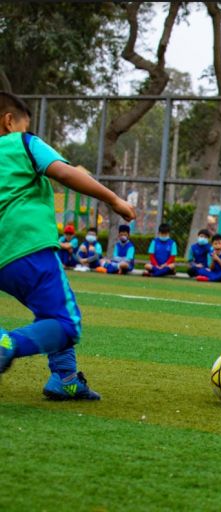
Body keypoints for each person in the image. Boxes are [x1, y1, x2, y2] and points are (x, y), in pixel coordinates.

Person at [0, 91, 136, 399]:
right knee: (65, 323)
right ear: (9, 122)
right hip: (27, 247)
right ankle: (6, 345)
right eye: (24, 125)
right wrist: (113, 199)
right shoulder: (23, 143)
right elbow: (64, 172)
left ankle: (66, 379)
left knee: (47, 310)